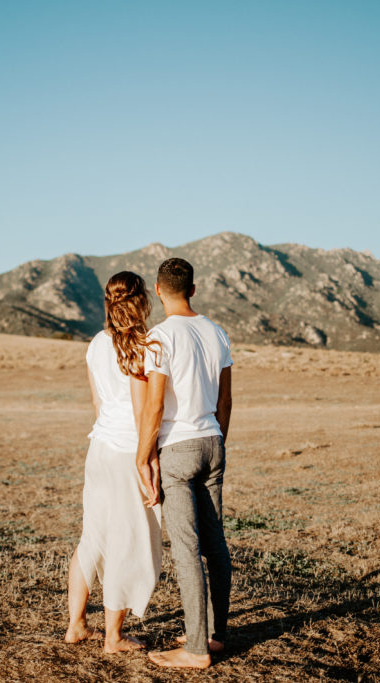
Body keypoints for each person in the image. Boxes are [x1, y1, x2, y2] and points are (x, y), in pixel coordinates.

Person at [137, 257, 233, 669]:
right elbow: (226, 401)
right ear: (192, 289)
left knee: (187, 550)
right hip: (213, 440)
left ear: (159, 291)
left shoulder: (159, 337)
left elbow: (155, 404)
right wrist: (217, 441)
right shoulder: (217, 332)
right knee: (215, 543)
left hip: (178, 447)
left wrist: (143, 456)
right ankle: (214, 635)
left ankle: (195, 650)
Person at [64, 271, 163, 653]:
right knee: (127, 540)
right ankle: (113, 636)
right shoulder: (143, 344)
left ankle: (76, 625)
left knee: (94, 536)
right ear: (142, 302)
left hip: (100, 448)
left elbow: (96, 403)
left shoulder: (95, 344)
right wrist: (148, 462)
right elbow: (143, 414)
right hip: (127, 453)